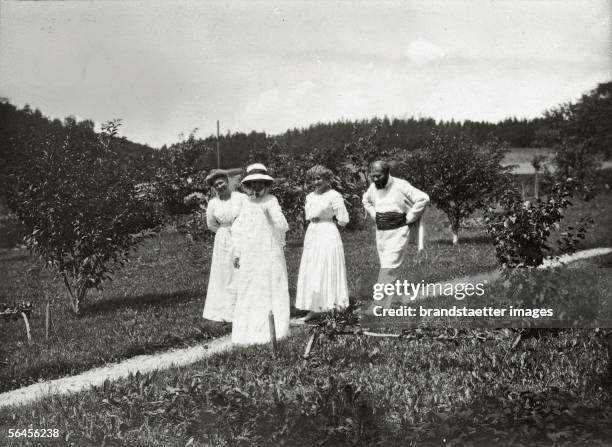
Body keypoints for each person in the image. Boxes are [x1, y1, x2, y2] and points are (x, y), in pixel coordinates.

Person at [230, 163, 291, 345]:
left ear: (266, 184)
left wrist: (271, 215)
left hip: (268, 250)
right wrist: (237, 252)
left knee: (271, 284)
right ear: (248, 186)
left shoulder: (272, 200)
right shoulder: (245, 203)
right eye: (253, 184)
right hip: (251, 252)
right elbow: (238, 230)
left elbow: (282, 225)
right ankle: (250, 329)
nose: (257, 187)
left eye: (260, 183)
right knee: (251, 287)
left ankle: (275, 328)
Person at [362, 160, 429, 299]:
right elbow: (365, 200)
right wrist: (375, 215)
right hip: (381, 233)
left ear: (387, 173)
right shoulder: (373, 187)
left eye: (378, 176)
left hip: (398, 232)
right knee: (386, 267)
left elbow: (423, 198)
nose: (375, 179)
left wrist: (409, 217)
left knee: (388, 267)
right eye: (372, 176)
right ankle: (388, 301)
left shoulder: (400, 185)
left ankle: (378, 303)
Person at [295, 166, 349, 320]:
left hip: (328, 232)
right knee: (313, 268)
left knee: (327, 266)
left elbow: (343, 219)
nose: (316, 182)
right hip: (312, 233)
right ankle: (315, 307)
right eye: (313, 179)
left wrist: (330, 227)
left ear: (327, 179)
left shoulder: (334, 195)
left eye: (319, 178)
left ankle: (331, 306)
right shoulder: (309, 196)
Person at [202, 169, 246, 322]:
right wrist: (224, 232)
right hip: (223, 237)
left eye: (221, 183)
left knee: (240, 269)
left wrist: (238, 230)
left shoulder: (241, 198)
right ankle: (225, 310)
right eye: (216, 185)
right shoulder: (213, 203)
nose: (219, 186)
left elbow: (248, 217)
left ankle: (243, 308)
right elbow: (210, 224)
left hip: (241, 235)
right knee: (224, 272)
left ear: (227, 181)